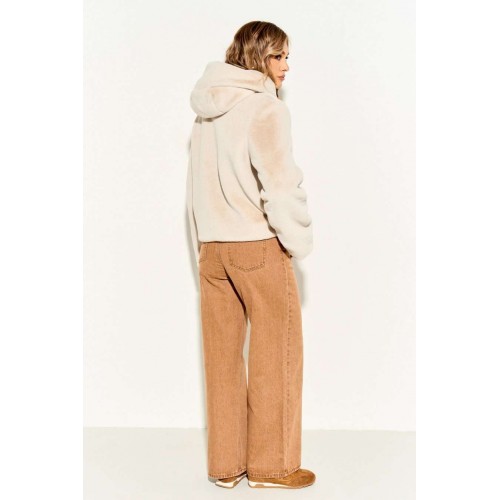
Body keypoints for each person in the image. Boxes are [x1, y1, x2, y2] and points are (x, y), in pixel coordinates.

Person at [186, 20, 315, 489]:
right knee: (276, 354)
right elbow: (279, 185)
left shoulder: (206, 113)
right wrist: (298, 241)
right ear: (258, 56)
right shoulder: (265, 108)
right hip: (257, 247)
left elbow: (195, 188)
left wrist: (202, 245)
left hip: (213, 249)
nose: (286, 66)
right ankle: (272, 467)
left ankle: (225, 468)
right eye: (278, 55)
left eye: (287, 56)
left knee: (221, 359)